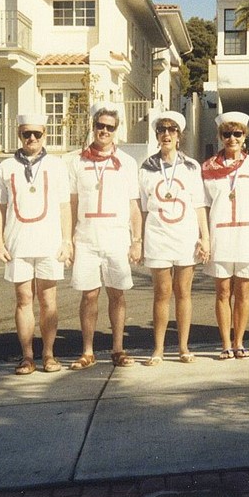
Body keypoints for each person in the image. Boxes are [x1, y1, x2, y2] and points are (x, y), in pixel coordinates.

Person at [0, 114, 72, 374]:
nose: (32, 138)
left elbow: (65, 206)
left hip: (49, 243)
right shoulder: (6, 167)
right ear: (19, 135)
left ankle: (48, 354)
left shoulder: (57, 165)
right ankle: (27, 356)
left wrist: (67, 240)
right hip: (18, 243)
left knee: (48, 300)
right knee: (24, 299)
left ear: (45, 134)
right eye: (27, 134)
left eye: (37, 133)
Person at [68, 101, 142, 369]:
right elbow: (72, 203)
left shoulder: (127, 163)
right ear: (93, 126)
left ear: (116, 130)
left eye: (110, 127)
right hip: (86, 238)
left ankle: (118, 348)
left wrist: (136, 241)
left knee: (117, 294)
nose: (104, 131)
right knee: (89, 295)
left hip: (116, 238)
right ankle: (87, 351)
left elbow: (134, 205)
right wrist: (69, 238)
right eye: (100, 126)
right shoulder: (77, 161)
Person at [139, 110, 210, 365]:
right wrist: (139, 240)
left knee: (183, 292)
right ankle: (158, 349)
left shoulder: (191, 167)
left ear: (179, 135)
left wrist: (205, 237)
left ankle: (183, 347)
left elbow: (199, 204)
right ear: (157, 135)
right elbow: (143, 208)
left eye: (171, 130)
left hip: (185, 236)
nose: (166, 134)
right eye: (162, 130)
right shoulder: (146, 168)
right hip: (157, 235)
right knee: (161, 293)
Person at [202, 111, 249, 360]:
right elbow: (204, 206)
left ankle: (239, 342)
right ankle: (225, 344)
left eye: (237, 133)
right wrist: (204, 238)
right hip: (220, 236)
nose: (232, 138)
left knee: (243, 292)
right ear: (220, 137)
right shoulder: (208, 168)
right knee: (222, 292)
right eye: (227, 134)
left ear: (245, 136)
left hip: (247, 235)